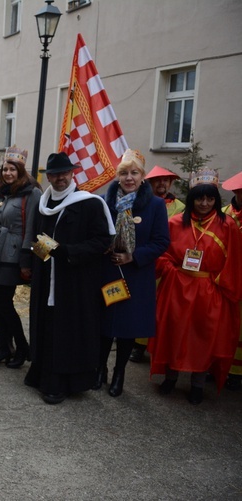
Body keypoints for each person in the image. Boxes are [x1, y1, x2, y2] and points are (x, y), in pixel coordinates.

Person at [25, 152, 114, 405]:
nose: (59, 177)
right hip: (47, 277)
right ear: (48, 176)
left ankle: (64, 382)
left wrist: (68, 252)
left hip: (75, 280)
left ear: (73, 173)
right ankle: (42, 373)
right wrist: (39, 259)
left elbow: (102, 241)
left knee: (69, 329)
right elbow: (39, 237)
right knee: (47, 325)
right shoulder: (43, 202)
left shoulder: (91, 203)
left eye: (64, 172)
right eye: (54, 173)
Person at [150, 169, 242, 404]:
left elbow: (234, 262)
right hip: (176, 287)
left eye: (210, 198)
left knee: (203, 337)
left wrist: (219, 285)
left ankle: (198, 384)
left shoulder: (228, 226)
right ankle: (170, 378)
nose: (204, 203)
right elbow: (161, 254)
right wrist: (171, 270)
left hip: (209, 290)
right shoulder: (174, 223)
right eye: (199, 198)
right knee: (174, 332)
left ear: (216, 199)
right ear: (192, 199)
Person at [96, 149, 170, 397]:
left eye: (134, 173)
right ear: (117, 176)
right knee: (104, 324)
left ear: (143, 176)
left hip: (136, 276)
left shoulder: (156, 205)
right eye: (124, 173)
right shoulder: (106, 202)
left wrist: (133, 256)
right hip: (108, 272)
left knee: (127, 328)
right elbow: (97, 234)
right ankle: (100, 369)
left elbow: (161, 242)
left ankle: (119, 373)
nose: (129, 178)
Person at [0, 146, 41, 368]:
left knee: (3, 304)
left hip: (13, 257)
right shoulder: (4, 193)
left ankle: (21, 347)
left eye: (13, 169)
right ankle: (4, 348)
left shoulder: (32, 193)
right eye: (5, 169)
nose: (8, 173)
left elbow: (32, 228)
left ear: (21, 171)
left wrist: (25, 260)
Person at [129, 164, 185, 363]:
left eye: (165, 180)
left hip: (168, 264)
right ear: (150, 182)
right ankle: (138, 344)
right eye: (157, 180)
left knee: (162, 309)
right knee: (142, 305)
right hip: (146, 260)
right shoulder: (140, 202)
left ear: (170, 183)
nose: (162, 183)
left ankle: (157, 346)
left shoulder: (180, 208)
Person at [221, 171, 242, 390]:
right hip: (224, 275)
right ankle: (220, 365)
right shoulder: (225, 214)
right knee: (224, 324)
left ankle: (237, 372)